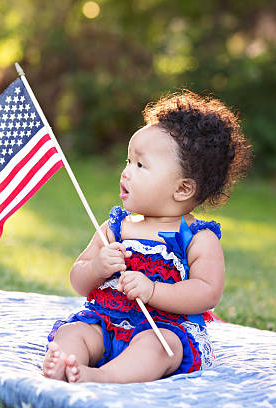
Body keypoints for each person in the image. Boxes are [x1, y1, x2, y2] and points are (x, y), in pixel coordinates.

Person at [42, 91, 252, 383]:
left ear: (182, 189)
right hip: (105, 322)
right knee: (73, 331)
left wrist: (153, 291)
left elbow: (207, 293)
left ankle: (101, 377)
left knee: (158, 349)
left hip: (163, 329)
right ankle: (68, 363)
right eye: (128, 161)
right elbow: (78, 279)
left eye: (140, 165)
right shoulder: (116, 228)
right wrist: (96, 268)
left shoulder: (197, 238)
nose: (125, 172)